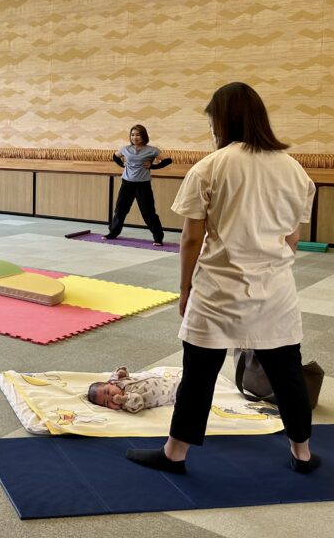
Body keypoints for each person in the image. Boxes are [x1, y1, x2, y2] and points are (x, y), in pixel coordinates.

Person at [126, 82, 319, 475]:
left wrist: (184, 289)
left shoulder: (210, 167)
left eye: (212, 121)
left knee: (199, 375)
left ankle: (175, 453)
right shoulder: (293, 169)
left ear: (223, 121)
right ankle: (303, 454)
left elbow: (191, 238)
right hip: (275, 292)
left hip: (217, 288)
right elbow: (293, 238)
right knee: (286, 375)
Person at [105, 124, 169, 246]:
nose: (135, 137)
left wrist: (152, 166)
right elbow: (115, 156)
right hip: (127, 184)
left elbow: (167, 160)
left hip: (143, 185)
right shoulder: (125, 149)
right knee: (120, 210)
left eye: (138, 135)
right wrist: (122, 165)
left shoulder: (152, 150)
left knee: (148, 212)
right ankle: (112, 233)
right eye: (133, 135)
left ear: (143, 136)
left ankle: (158, 238)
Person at [87, 367, 180, 413]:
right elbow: (138, 401)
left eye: (107, 392)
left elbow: (123, 372)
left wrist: (121, 372)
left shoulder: (116, 381)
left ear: (110, 383)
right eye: (107, 403)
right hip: (169, 392)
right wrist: (123, 399)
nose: (111, 397)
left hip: (160, 379)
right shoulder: (126, 404)